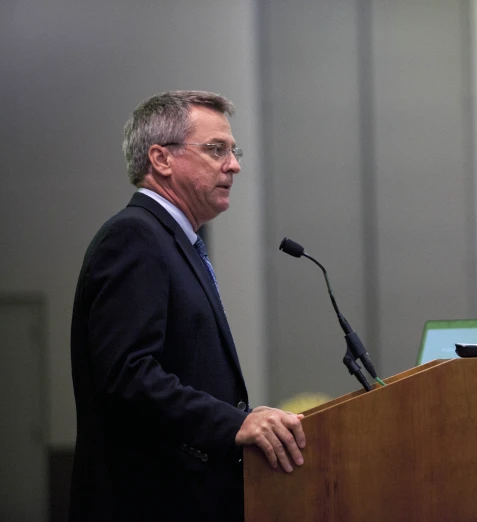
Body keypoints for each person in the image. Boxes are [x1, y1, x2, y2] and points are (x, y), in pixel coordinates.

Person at [69, 91, 305, 522]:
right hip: (147, 503)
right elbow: (127, 374)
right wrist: (234, 423)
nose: (233, 165)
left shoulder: (176, 241)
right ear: (161, 159)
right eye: (216, 149)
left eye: (234, 151)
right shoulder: (135, 238)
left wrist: (244, 417)